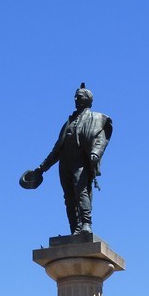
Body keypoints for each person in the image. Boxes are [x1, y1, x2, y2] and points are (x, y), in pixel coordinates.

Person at [34, 84, 112, 235]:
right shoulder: (68, 122)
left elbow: (100, 139)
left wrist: (95, 153)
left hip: (80, 161)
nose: (76, 99)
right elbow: (57, 149)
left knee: (81, 191)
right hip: (65, 163)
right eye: (75, 97)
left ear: (88, 100)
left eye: (80, 96)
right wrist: (42, 167)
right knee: (68, 197)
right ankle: (75, 228)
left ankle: (86, 224)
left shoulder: (95, 118)